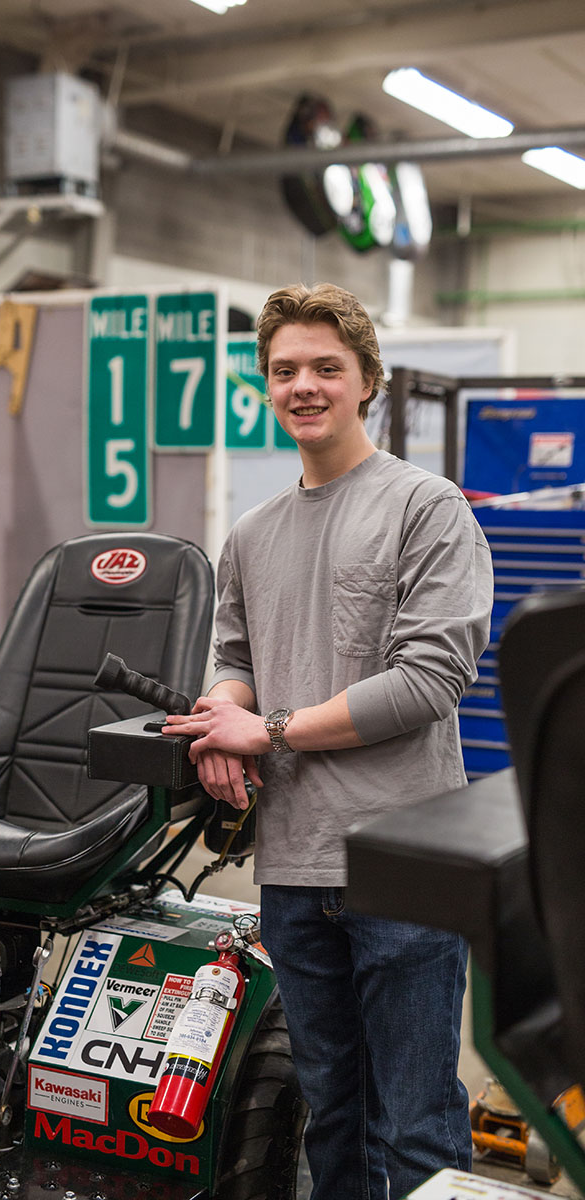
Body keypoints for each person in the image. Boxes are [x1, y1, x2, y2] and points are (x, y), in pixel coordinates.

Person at [162, 282, 494, 1200]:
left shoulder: (426, 509)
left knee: (417, 1124)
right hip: (294, 866)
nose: (302, 385)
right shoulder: (252, 534)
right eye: (283, 371)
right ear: (266, 386)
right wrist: (224, 721)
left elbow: (429, 682)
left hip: (404, 863)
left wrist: (265, 730)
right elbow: (234, 657)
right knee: (329, 1116)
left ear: (366, 382)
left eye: (325, 368)